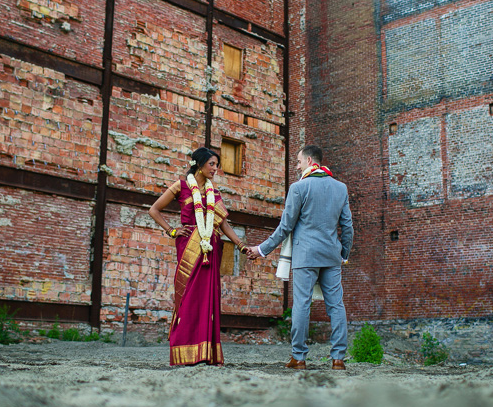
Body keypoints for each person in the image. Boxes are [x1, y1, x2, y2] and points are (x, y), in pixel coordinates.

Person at [247, 145, 353, 370]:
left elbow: (285, 227)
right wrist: (343, 254)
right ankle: (338, 359)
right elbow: (347, 227)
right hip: (332, 256)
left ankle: (299, 358)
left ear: (309, 160)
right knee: (336, 306)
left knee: (302, 306)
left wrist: (262, 249)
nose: (297, 165)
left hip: (305, 256)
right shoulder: (340, 188)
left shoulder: (298, 188)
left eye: (298, 161)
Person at [149, 147, 248, 366]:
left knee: (207, 299)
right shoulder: (181, 186)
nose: (215, 169)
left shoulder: (215, 193)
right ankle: (184, 349)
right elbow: (154, 210)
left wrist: (241, 245)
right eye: (212, 164)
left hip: (210, 249)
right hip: (189, 246)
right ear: (199, 164)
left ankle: (204, 353)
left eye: (217, 165)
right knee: (188, 299)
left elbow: (222, 223)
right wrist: (172, 231)